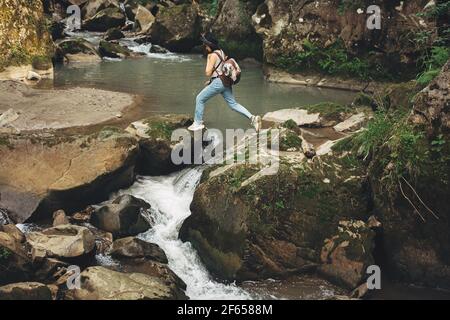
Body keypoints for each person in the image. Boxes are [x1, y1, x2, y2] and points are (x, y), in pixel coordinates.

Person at [188, 33, 262, 132]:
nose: (205, 47)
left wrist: (208, 59)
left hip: (219, 82)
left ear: (210, 45)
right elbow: (220, 69)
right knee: (233, 104)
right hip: (225, 82)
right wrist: (211, 81)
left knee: (200, 98)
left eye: (206, 45)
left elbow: (208, 72)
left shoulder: (213, 55)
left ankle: (197, 123)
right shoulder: (221, 52)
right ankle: (253, 118)